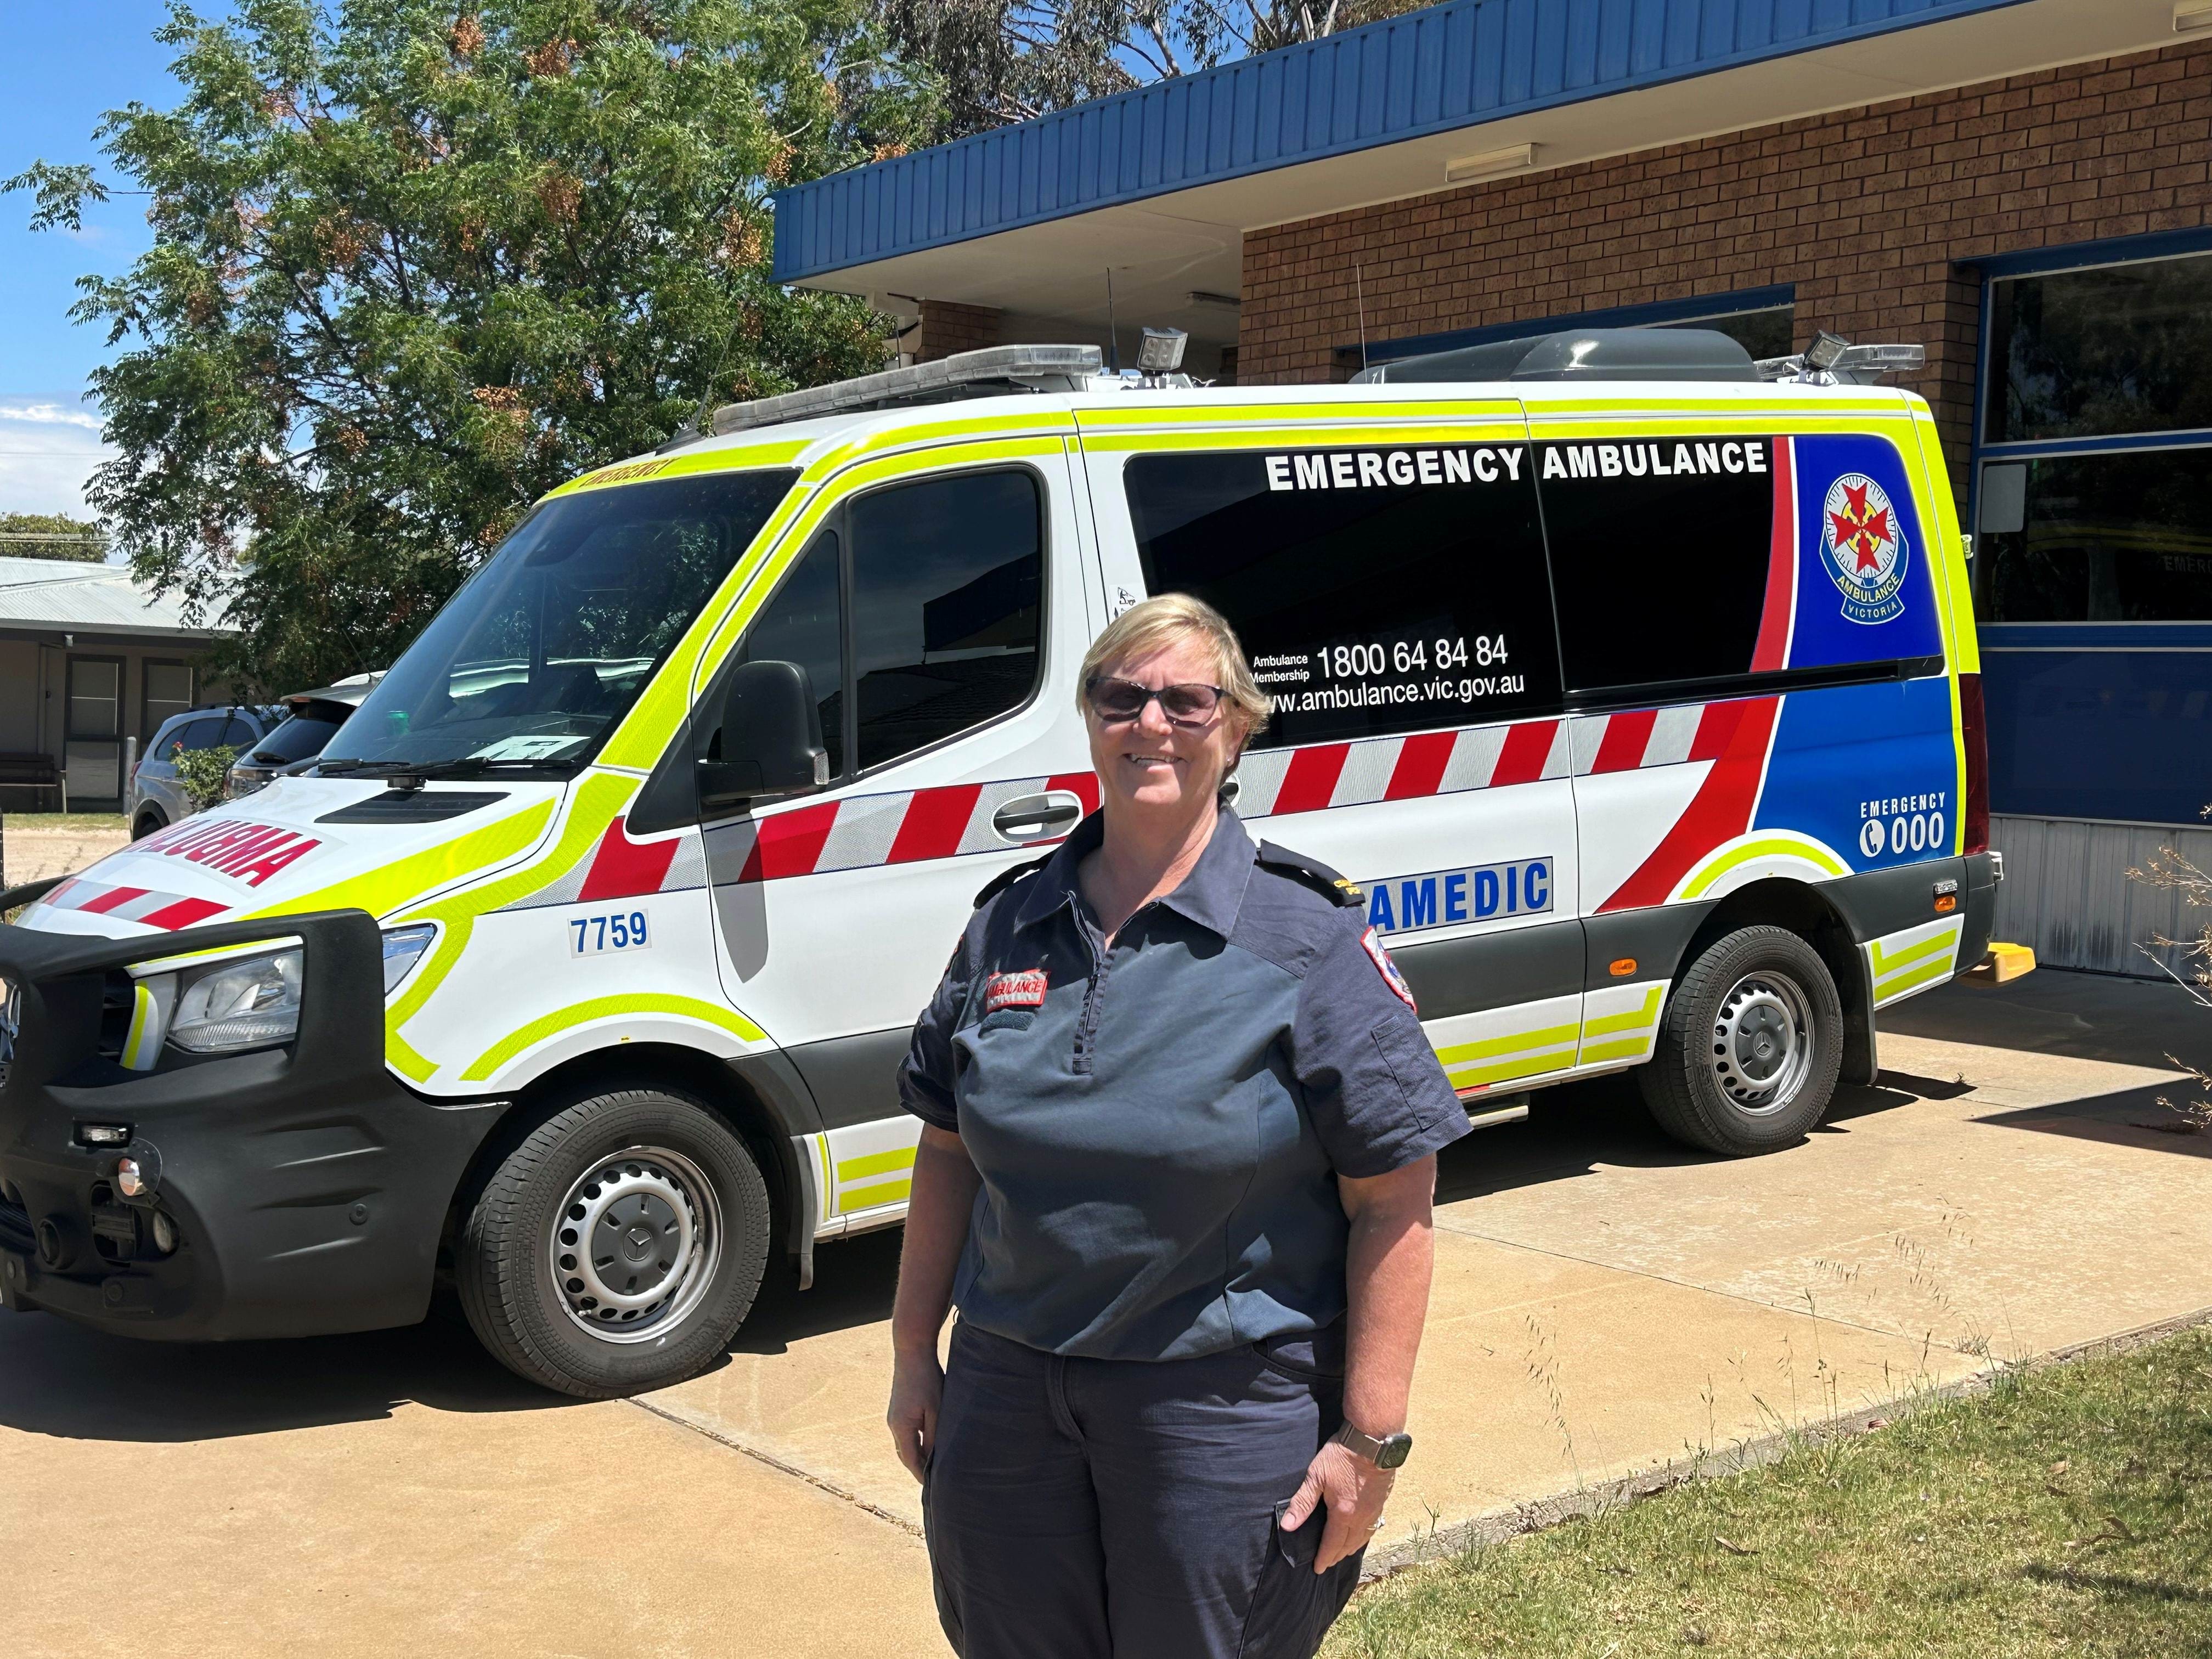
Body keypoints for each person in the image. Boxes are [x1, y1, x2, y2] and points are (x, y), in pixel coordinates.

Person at [889, 593, 1470, 1659]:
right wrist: (913, 1353)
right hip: (1008, 1399)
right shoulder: (1008, 921)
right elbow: (947, 1146)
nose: (1151, 722)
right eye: (1123, 696)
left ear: (1237, 726)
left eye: (1187, 700)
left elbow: (1396, 1192)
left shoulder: (1305, 935)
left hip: (1219, 1412)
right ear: (1090, 716)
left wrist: (1370, 1437)